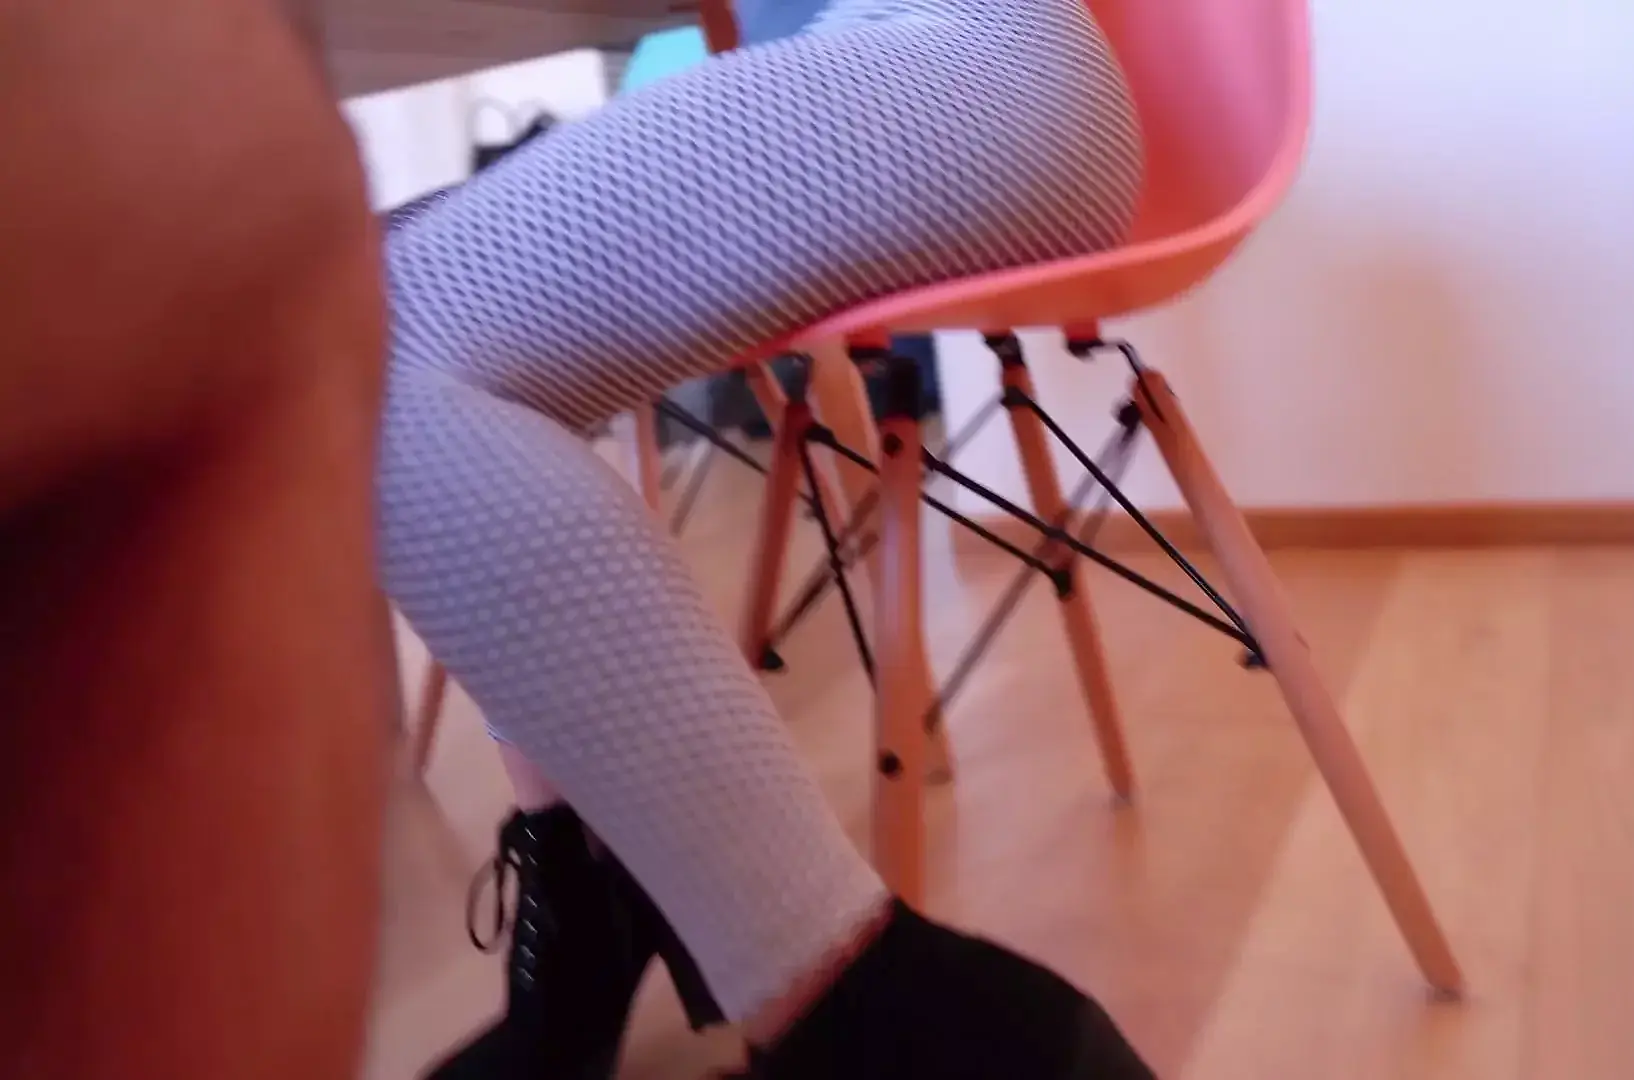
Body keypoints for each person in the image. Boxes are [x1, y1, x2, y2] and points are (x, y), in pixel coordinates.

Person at [3, 0, 1155, 1077]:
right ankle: (592, 866)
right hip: (918, 49)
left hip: (974, 52)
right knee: (349, 288)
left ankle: (872, 1005)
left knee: (356, 350)